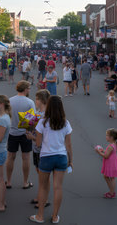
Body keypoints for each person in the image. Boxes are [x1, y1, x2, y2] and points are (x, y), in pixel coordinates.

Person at [30, 96, 73, 224]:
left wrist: (32, 137)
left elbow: (38, 144)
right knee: (58, 188)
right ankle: (55, 216)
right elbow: (69, 145)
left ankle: (40, 216)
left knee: (43, 187)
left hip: (46, 157)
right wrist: (70, 160)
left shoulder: (42, 122)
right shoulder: (66, 123)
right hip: (61, 157)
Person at [6, 81, 36, 189]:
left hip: (12, 132)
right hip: (25, 133)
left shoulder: (10, 100)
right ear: (25, 89)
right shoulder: (29, 102)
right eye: (29, 88)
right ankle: (25, 182)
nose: (29, 90)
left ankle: (8, 181)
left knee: (10, 157)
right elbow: (31, 121)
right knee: (26, 158)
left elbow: (7, 116)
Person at [26, 89, 51, 208]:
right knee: (40, 174)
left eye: (36, 99)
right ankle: (40, 196)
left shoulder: (45, 115)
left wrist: (32, 137)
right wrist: (28, 126)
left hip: (42, 149)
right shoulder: (38, 112)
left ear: (42, 100)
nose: (35, 101)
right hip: (36, 148)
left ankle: (44, 200)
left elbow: (47, 137)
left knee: (44, 176)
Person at [95, 128, 117, 198]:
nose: (106, 137)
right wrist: (103, 150)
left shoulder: (110, 146)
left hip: (110, 164)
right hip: (112, 163)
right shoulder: (114, 144)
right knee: (109, 177)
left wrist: (99, 152)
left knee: (110, 177)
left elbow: (106, 156)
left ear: (111, 137)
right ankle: (112, 191)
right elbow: (108, 153)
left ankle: (112, 193)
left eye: (107, 135)